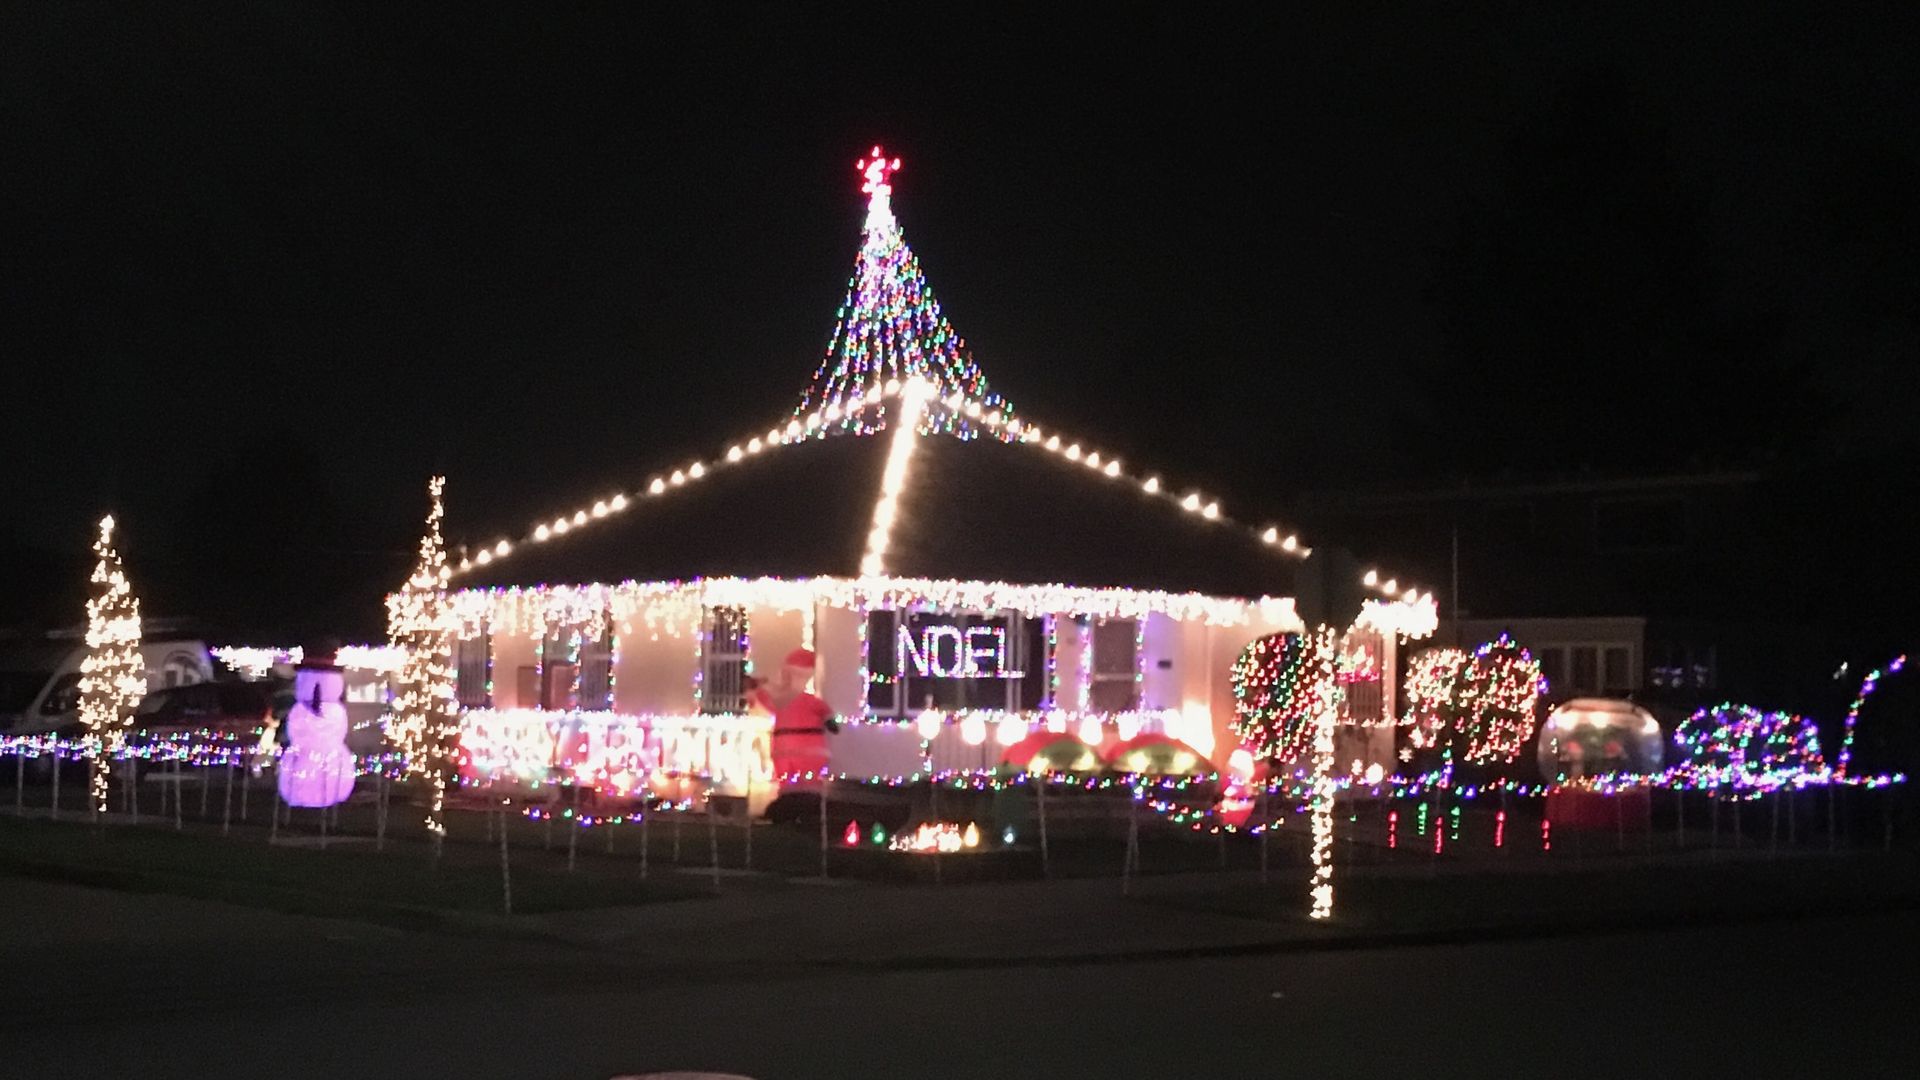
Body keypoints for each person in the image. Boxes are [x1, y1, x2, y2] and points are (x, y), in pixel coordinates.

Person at [754, 647, 839, 788]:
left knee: (789, 791)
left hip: (785, 757)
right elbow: (829, 719)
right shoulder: (811, 702)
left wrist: (760, 686)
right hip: (809, 758)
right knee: (809, 791)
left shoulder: (781, 700)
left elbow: (763, 697)